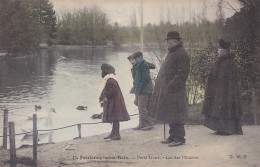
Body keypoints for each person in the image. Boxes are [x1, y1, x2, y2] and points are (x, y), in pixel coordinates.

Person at [148, 31, 190, 147]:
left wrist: (170, 84)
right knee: (170, 113)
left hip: (176, 91)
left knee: (177, 114)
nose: (168, 44)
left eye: (171, 42)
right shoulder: (172, 52)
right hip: (169, 90)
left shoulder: (182, 54)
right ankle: (172, 136)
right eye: (168, 42)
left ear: (176, 42)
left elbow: (182, 74)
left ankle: (180, 138)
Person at [202, 39, 243, 135]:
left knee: (226, 108)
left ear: (225, 51)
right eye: (219, 49)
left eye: (220, 50)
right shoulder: (221, 61)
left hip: (226, 91)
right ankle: (222, 128)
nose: (218, 51)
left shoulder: (229, 62)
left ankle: (227, 129)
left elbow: (227, 79)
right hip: (220, 89)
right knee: (220, 108)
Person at [99, 63, 130, 140]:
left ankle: (117, 134)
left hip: (114, 102)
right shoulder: (111, 79)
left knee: (115, 118)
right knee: (114, 118)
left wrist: (106, 97)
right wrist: (102, 96)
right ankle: (113, 133)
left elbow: (113, 90)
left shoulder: (110, 80)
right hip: (115, 101)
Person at [131, 51, 154, 131]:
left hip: (143, 91)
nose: (135, 60)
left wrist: (139, 89)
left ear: (140, 57)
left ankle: (149, 124)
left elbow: (145, 78)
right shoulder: (139, 65)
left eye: (136, 58)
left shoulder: (143, 65)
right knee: (140, 108)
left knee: (142, 108)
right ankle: (141, 124)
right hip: (140, 90)